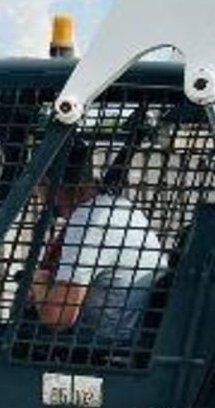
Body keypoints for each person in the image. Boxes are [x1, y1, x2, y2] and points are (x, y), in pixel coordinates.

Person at [29, 141, 166, 345]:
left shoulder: (87, 220)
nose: (38, 198)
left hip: (100, 344)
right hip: (129, 332)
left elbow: (58, 318)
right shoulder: (123, 207)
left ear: (56, 187)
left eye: (40, 190)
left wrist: (38, 281)